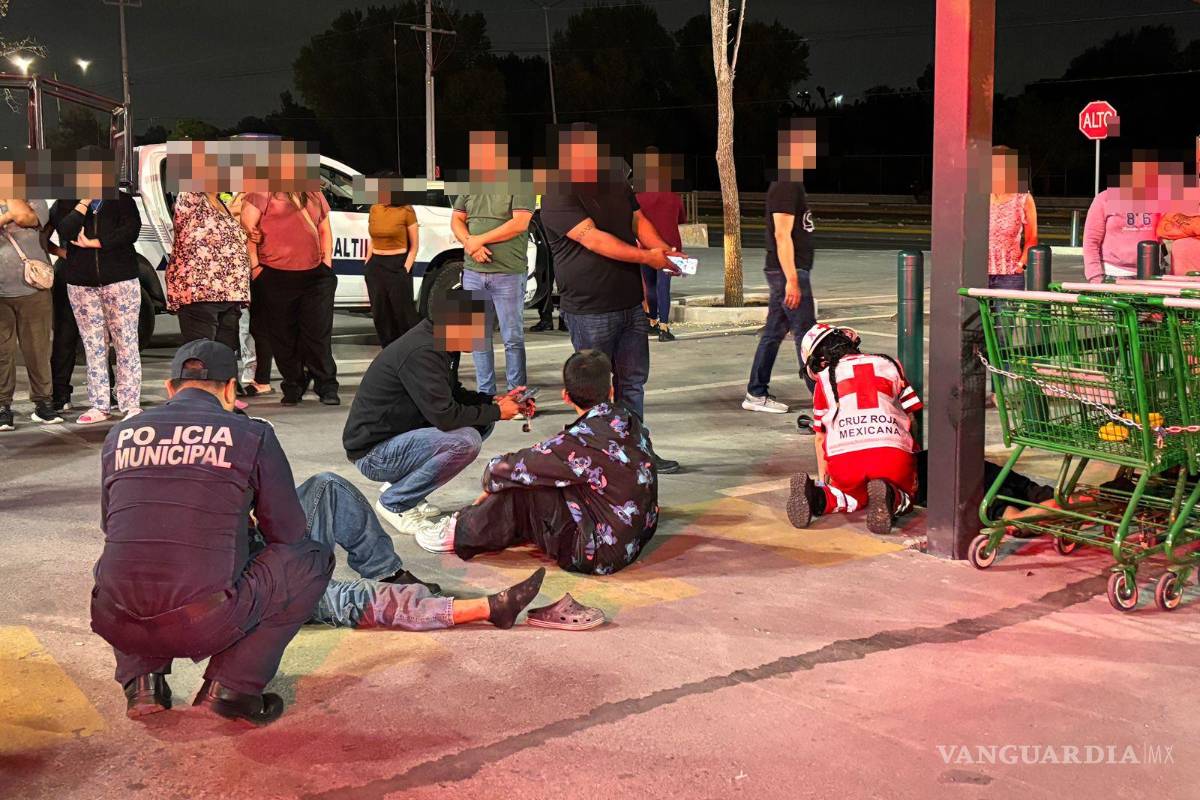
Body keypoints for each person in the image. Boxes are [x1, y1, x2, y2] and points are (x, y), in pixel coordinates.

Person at [89, 341, 333, 725]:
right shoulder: (251, 434)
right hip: (203, 621)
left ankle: (143, 683)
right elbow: (287, 532)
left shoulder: (121, 433)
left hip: (114, 617)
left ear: (170, 389)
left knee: (124, 553)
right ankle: (233, 688)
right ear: (231, 390)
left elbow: (111, 525)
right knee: (310, 559)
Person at [416, 350, 660, 576]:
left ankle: (459, 533)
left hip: (599, 554)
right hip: (637, 536)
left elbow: (498, 469)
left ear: (566, 396)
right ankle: (498, 525)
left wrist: (495, 485)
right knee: (536, 475)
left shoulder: (578, 444)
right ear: (611, 392)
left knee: (523, 488)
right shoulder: (627, 420)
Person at [538, 123, 683, 473]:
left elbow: (637, 220)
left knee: (633, 382)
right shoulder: (558, 193)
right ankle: (601, 458)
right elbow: (594, 239)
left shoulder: (614, 181)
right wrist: (647, 258)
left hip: (630, 303)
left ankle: (637, 452)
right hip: (590, 309)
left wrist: (660, 247)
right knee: (595, 391)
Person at [342, 289, 522, 537]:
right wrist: (497, 411)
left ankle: (406, 491)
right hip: (375, 454)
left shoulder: (442, 340)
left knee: (483, 423)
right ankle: (395, 503)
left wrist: (492, 401)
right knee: (466, 441)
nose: (483, 338)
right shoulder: (423, 351)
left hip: (399, 437)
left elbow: (451, 393)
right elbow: (445, 416)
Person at [295, 471, 545, 631]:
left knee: (326, 485)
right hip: (263, 586)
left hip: (268, 549)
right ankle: (490, 609)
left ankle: (386, 573)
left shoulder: (256, 435)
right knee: (344, 596)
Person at [785, 324, 922, 535]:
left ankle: (819, 497)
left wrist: (824, 481)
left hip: (846, 462)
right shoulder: (889, 364)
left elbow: (821, 438)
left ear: (819, 362)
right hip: (892, 455)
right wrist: (912, 454)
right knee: (907, 492)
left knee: (849, 496)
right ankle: (891, 496)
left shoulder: (824, 381)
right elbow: (912, 414)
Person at [744, 120, 819, 417]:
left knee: (773, 332)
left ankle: (756, 391)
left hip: (787, 271)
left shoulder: (791, 181)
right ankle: (822, 400)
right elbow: (781, 234)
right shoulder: (786, 183)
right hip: (788, 271)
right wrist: (792, 279)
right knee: (806, 334)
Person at [451, 131, 535, 396]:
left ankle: (516, 396)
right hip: (474, 271)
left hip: (508, 273)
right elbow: (456, 219)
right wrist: (469, 243)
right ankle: (485, 396)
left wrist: (477, 241)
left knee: (512, 338)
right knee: (478, 339)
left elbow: (520, 223)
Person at [50, 187, 144, 424]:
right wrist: (82, 203)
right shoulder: (66, 200)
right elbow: (65, 230)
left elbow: (131, 231)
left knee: (126, 343)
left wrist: (97, 242)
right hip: (81, 283)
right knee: (93, 346)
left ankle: (130, 403)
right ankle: (99, 404)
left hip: (121, 279)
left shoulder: (122, 199)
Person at [241, 188, 338, 406]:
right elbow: (248, 230)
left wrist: (327, 263)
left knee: (318, 334)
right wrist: (256, 268)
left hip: (315, 276)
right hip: (274, 275)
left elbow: (324, 229)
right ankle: (294, 383)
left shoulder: (313, 193)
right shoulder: (260, 193)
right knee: (283, 336)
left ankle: (326, 384)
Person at [0, 198, 59, 430]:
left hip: (33, 289)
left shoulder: (36, 201)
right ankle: (3, 406)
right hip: (1, 293)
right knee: (2, 352)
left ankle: (43, 403)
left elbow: (26, 218)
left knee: (38, 350)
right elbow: (17, 215)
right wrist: (9, 216)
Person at [167, 189, 250, 351]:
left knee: (223, 359)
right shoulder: (191, 198)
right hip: (200, 294)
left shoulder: (221, 203)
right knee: (201, 358)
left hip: (229, 295)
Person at [1083, 155, 1164, 282]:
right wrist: (1094, 276)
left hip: (1151, 274)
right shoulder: (1105, 199)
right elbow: (1090, 241)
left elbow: (1168, 234)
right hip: (1112, 274)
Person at [634, 149, 686, 342]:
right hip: (669, 247)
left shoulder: (638, 198)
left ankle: (652, 321)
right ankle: (664, 327)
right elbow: (681, 219)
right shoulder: (674, 197)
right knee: (664, 287)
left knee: (650, 286)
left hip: (645, 248)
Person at [364, 172, 420, 347]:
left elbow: (415, 245)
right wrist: (368, 262)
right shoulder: (375, 208)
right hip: (376, 267)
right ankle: (387, 352)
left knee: (402, 315)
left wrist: (405, 269)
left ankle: (407, 352)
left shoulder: (407, 210)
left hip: (397, 266)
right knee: (381, 314)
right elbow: (372, 238)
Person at [40, 217, 80, 413]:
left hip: (102, 273)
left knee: (101, 339)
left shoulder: (108, 202)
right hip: (68, 273)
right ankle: (60, 393)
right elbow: (42, 238)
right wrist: (61, 252)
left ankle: (108, 390)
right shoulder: (62, 205)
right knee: (65, 337)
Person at [988, 146, 1038, 290]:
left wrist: (1021, 264)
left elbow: (1032, 238)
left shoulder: (1023, 198)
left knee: (1005, 314)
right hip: (976, 273)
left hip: (1009, 276)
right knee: (976, 313)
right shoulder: (979, 198)